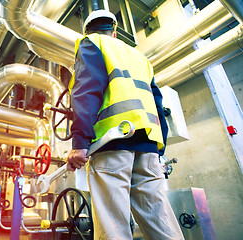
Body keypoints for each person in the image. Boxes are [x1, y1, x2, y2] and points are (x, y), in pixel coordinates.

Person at [66, 9, 184, 240]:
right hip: (148, 143)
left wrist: (80, 142)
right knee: (159, 217)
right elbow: (158, 104)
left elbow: (86, 91)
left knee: (113, 224)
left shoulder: (92, 43)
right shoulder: (139, 57)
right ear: (115, 29)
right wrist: (160, 148)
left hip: (112, 142)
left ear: (87, 30)